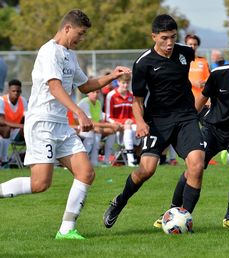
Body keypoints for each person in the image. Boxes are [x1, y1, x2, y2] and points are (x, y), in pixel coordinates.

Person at [0, 9, 131, 240]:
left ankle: (67, 229)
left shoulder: (70, 55)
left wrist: (112, 76)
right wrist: (79, 112)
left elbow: (85, 85)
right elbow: (55, 87)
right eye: (80, 34)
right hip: (42, 123)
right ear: (67, 28)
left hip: (60, 125)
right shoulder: (49, 51)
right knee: (40, 183)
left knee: (86, 172)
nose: (81, 39)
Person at [154, 36, 229, 229]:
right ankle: (171, 211)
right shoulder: (218, 74)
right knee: (195, 167)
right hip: (212, 129)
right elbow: (200, 101)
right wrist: (184, 127)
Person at [103, 14, 205, 230]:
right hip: (157, 121)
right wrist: (140, 122)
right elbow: (137, 101)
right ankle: (119, 201)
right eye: (164, 38)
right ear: (154, 36)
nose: (169, 44)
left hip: (186, 117)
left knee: (197, 165)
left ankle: (183, 220)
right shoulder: (143, 63)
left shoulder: (186, 53)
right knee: (147, 169)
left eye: (173, 38)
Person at [77, 90, 122, 166]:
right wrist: (111, 125)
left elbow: (100, 121)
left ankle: (106, 161)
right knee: (98, 130)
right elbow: (90, 122)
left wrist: (112, 126)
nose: (95, 94)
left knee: (112, 131)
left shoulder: (98, 103)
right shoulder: (84, 103)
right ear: (88, 93)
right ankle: (93, 160)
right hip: (82, 128)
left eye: (97, 92)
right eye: (93, 92)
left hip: (93, 128)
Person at [104, 73, 140, 167]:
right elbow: (108, 117)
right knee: (128, 129)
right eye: (123, 83)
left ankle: (138, 157)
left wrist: (131, 121)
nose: (126, 85)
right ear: (118, 82)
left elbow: (135, 115)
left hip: (130, 125)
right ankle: (131, 160)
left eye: (127, 83)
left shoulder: (132, 95)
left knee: (138, 128)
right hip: (116, 126)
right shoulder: (111, 95)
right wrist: (123, 123)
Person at [0, 79, 27, 168]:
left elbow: (27, 117)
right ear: (8, 91)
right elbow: (2, 121)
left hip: (15, 131)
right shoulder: (2, 100)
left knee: (29, 130)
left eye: (18, 91)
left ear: (21, 91)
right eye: (13, 91)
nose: (16, 93)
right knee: (6, 129)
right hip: (3, 130)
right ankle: (4, 161)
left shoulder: (22, 100)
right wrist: (21, 126)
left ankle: (30, 158)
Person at [185, 34, 210, 99]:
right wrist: (192, 83)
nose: (192, 46)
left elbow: (209, 78)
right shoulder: (181, 61)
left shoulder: (203, 61)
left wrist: (203, 83)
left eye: (195, 44)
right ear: (186, 45)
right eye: (190, 44)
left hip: (201, 98)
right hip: (186, 98)